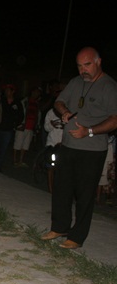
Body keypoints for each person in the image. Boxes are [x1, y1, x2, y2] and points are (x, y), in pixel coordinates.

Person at [41, 47, 117, 249]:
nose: (83, 70)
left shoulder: (109, 87)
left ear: (98, 62)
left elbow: (115, 119)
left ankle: (77, 237)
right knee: (62, 188)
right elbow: (59, 101)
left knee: (84, 194)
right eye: (79, 66)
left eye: (87, 65)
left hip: (92, 149)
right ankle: (59, 227)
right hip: (68, 145)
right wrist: (65, 111)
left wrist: (89, 131)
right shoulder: (76, 82)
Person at [0, 83, 23, 172]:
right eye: (5, 90)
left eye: (8, 90)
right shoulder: (1, 100)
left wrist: (15, 125)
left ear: (13, 91)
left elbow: (21, 115)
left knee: (3, 149)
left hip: (8, 130)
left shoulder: (17, 103)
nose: (6, 92)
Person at [13, 86, 41, 167]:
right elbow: (18, 112)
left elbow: (38, 115)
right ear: (32, 92)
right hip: (22, 126)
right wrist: (18, 124)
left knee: (25, 145)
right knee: (17, 144)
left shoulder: (36, 104)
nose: (36, 94)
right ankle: (14, 160)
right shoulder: (25, 101)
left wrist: (36, 126)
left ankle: (21, 160)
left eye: (38, 93)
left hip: (31, 127)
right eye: (35, 92)